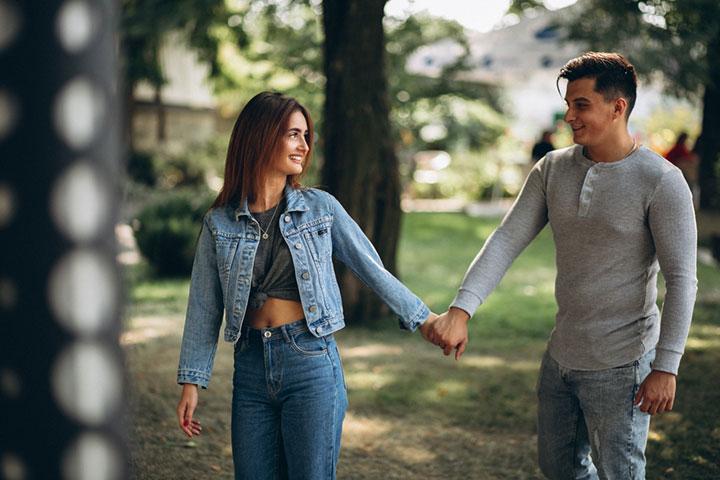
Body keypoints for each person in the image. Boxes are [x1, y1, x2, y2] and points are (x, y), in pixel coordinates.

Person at [424, 52, 697, 479]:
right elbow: (505, 239)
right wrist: (461, 310)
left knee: (620, 472)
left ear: (617, 107)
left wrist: (666, 366)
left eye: (581, 105)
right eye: (568, 104)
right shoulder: (552, 169)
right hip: (561, 356)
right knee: (559, 470)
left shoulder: (660, 180)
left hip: (621, 362)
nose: (568, 116)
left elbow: (681, 281)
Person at [175, 91, 436, 479]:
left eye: (306, 135)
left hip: (309, 361)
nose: (303, 145)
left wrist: (425, 319)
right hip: (250, 368)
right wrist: (192, 381)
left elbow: (371, 268)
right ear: (260, 136)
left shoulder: (320, 208)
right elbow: (204, 305)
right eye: (292, 134)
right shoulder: (220, 223)